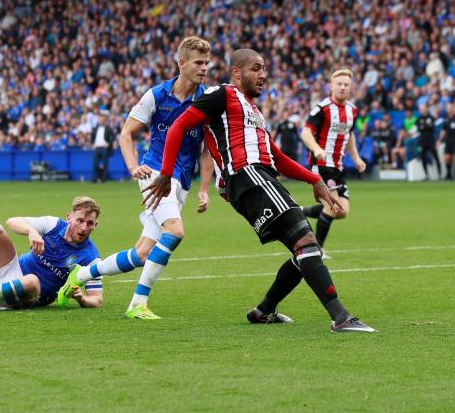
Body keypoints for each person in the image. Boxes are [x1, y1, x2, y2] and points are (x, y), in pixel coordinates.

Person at [144, 48, 375, 333]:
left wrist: (312, 180)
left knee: (304, 247)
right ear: (237, 73)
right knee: (305, 241)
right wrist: (166, 172)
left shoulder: (253, 111)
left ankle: (264, 311)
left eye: (264, 69)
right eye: (256, 68)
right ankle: (340, 317)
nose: (263, 75)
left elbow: (276, 156)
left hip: (259, 176)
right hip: (247, 175)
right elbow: (178, 126)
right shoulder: (221, 94)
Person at [57, 36, 215, 320]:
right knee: (175, 231)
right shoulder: (156, 95)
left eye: (207, 62)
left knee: (141, 254)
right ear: (182, 63)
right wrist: (133, 168)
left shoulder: (206, 102)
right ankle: (137, 304)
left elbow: (207, 152)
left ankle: (82, 274)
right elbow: (126, 133)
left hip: (181, 183)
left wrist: (204, 189)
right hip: (154, 174)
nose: (205, 68)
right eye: (198, 63)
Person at [298, 68, 367, 251]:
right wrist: (317, 149)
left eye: (346, 84)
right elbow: (305, 133)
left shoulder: (352, 110)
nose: (343, 87)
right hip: (321, 165)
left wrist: (357, 158)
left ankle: (301, 211)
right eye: (339, 84)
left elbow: (349, 136)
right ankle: (317, 249)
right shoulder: (322, 108)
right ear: (331, 86)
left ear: (350, 87)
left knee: (342, 211)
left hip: (338, 166)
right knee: (332, 207)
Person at [440, 103, 455, 180]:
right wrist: (439, 140)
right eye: (448, 108)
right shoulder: (446, 119)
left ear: (453, 109)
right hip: (448, 140)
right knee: (447, 158)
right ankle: (449, 174)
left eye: (450, 108)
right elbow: (444, 130)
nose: (449, 109)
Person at [91, 110, 116, 183]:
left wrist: (108, 144)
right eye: (99, 118)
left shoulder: (108, 128)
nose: (100, 120)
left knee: (105, 164)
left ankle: (103, 179)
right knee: (95, 163)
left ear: (104, 120)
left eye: (101, 118)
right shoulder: (95, 129)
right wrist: (93, 144)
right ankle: (95, 178)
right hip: (97, 148)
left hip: (104, 148)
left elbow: (114, 137)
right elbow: (92, 137)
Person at [416, 105, 438, 179]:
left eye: (424, 109)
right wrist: (426, 126)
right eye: (421, 109)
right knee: (423, 158)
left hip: (431, 140)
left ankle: (440, 173)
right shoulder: (419, 119)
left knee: (436, 157)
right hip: (422, 141)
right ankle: (426, 175)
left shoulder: (431, 118)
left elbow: (431, 127)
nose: (423, 110)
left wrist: (424, 127)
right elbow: (419, 128)